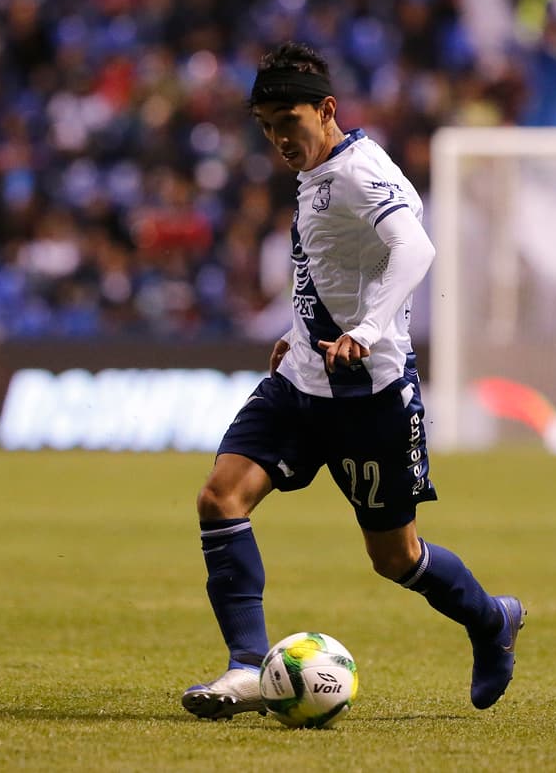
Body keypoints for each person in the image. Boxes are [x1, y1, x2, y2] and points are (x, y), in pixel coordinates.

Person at [180, 42, 525, 720]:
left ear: (328, 109)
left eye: (290, 120)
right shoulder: (316, 170)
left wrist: (365, 330)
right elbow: (329, 262)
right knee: (220, 498)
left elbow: (415, 247)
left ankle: (491, 620)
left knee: (395, 557)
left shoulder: (363, 170)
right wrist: (298, 322)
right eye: (267, 124)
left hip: (368, 395)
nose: (280, 137)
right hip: (301, 377)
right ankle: (248, 665)